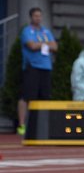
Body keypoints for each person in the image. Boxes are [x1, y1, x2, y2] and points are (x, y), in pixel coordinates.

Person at [18, 7, 56, 135]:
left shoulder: (46, 31)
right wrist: (45, 44)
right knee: (27, 96)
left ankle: (42, 125)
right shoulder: (27, 31)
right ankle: (22, 125)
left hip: (46, 67)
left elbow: (55, 47)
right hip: (32, 66)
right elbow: (31, 46)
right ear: (31, 17)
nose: (38, 18)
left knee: (45, 97)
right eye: (35, 16)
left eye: (40, 16)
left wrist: (41, 44)